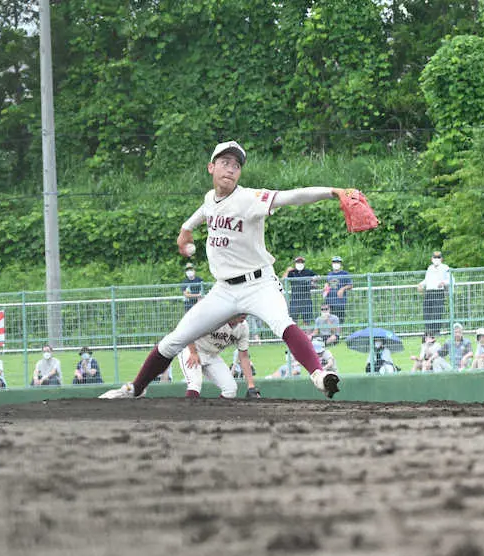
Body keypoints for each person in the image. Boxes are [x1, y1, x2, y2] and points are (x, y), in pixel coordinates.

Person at [99, 140, 343, 400]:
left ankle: (319, 375)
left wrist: (333, 192)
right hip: (224, 289)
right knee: (175, 340)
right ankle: (136, 389)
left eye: (236, 165)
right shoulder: (210, 198)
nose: (230, 169)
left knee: (283, 324)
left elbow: (290, 196)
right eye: (225, 163)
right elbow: (206, 209)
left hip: (259, 284)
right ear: (211, 168)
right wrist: (186, 228)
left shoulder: (248, 198)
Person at [178, 314, 258, 399]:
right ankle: (189, 408)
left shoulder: (243, 327)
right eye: (241, 311)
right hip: (192, 349)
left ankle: (214, 408)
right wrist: (193, 352)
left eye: (245, 311)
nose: (245, 314)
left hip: (212, 355)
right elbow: (189, 329)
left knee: (230, 389)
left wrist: (251, 386)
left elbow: (244, 356)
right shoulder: (215, 316)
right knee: (194, 383)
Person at [417, 251, 451, 336]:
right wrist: (421, 284)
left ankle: (436, 332)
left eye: (438, 257)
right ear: (431, 259)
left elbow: (450, 279)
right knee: (426, 312)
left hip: (438, 292)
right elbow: (427, 280)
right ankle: (428, 331)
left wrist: (443, 283)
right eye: (435, 257)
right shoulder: (430, 268)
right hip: (429, 292)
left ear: (441, 259)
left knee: (437, 312)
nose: (436, 259)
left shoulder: (445, 267)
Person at [283, 256, 317, 327]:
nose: (300, 263)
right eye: (298, 262)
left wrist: (313, 281)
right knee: (293, 321)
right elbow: (283, 280)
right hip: (295, 300)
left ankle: (306, 333)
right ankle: (295, 333)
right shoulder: (292, 272)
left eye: (301, 262)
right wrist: (287, 271)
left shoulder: (308, 272)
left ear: (304, 263)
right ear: (295, 263)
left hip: (306, 299)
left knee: (307, 321)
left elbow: (317, 278)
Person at [323, 256, 353, 324]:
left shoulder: (345, 274)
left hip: (340, 302)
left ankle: (339, 331)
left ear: (340, 264)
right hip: (329, 302)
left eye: (337, 262)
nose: (336, 264)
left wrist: (342, 289)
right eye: (334, 262)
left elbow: (350, 285)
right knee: (329, 322)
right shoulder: (329, 274)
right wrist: (326, 285)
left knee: (339, 322)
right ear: (332, 264)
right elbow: (327, 284)